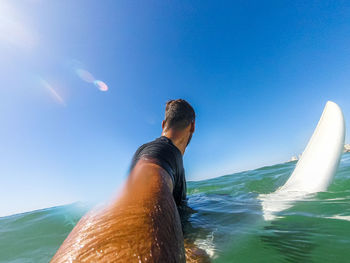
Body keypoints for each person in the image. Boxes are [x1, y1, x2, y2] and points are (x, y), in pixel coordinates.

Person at [50, 99, 205, 263]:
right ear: (193, 127)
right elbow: (144, 185)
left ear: (163, 124)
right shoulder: (163, 150)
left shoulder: (157, 152)